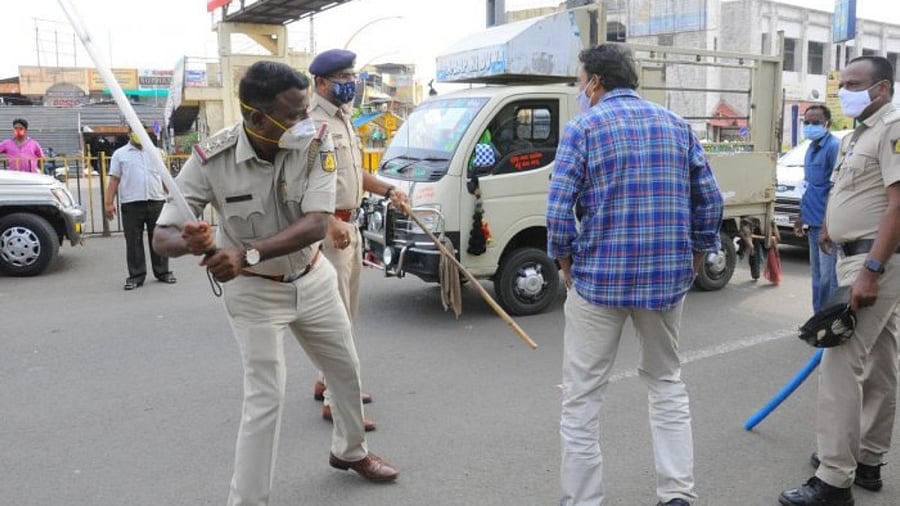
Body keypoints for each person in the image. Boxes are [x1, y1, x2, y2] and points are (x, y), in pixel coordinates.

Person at [151, 61, 399, 505]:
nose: (305, 121)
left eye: (306, 110)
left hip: (312, 275)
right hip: (254, 291)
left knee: (345, 370)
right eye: (293, 114)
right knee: (265, 398)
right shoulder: (213, 157)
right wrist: (192, 241)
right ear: (256, 119)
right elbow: (162, 235)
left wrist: (244, 252)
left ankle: (350, 450)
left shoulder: (315, 143)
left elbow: (316, 223)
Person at [547, 44, 724, 506]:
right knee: (666, 383)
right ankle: (677, 494)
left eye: (579, 78)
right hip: (666, 283)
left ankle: (583, 500)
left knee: (582, 398)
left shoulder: (582, 128)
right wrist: (698, 255)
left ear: (596, 83)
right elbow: (710, 199)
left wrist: (565, 261)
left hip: (597, 282)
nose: (579, 87)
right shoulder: (676, 125)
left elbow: (558, 207)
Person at [779, 55, 900, 506]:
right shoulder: (859, 134)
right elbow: (857, 192)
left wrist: (871, 270)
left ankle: (833, 479)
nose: (843, 89)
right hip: (859, 256)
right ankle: (867, 460)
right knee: (881, 362)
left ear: (882, 89)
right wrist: (832, 225)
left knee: (839, 363)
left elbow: (897, 204)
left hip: (874, 262)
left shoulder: (893, 129)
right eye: (842, 81)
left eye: (853, 83)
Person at [307, 48, 409, 430]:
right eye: (342, 77)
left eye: (352, 76)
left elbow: (351, 175)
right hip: (330, 232)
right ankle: (338, 400)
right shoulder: (313, 123)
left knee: (347, 313)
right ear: (320, 83)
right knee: (337, 322)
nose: (350, 83)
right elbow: (302, 183)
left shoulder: (343, 120)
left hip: (350, 228)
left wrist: (387, 189)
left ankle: (326, 380)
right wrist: (330, 220)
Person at [105, 127, 176, 290]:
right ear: (129, 133)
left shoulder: (157, 152)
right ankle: (136, 276)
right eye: (134, 131)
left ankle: (163, 272)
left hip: (156, 200)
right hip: (131, 203)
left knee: (159, 238)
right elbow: (114, 180)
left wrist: (172, 198)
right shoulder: (120, 154)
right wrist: (109, 203)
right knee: (133, 241)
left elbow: (164, 178)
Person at [793, 105, 841, 312]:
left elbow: (836, 189)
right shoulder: (811, 148)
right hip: (812, 222)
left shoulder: (833, 147)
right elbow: (808, 186)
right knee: (817, 276)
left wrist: (826, 226)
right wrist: (800, 215)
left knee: (829, 279)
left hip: (827, 225)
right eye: (807, 122)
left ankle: (830, 324)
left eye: (815, 123)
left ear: (827, 125)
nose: (810, 126)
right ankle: (818, 319)